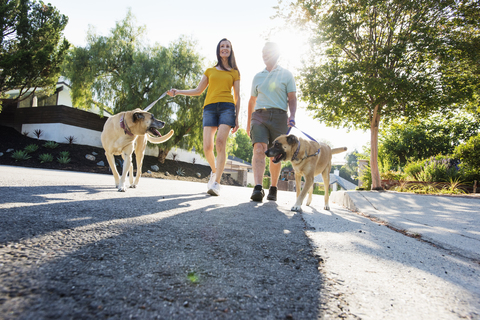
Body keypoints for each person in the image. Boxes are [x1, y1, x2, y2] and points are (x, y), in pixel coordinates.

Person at [167, 38, 240, 196]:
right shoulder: (210, 71)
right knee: (207, 147)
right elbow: (198, 90)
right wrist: (178, 91)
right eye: (222, 46)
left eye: (227, 46)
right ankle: (214, 171)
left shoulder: (234, 72)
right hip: (209, 108)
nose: (224, 48)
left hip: (227, 108)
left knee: (220, 142)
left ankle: (217, 183)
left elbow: (238, 97)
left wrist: (237, 117)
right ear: (218, 50)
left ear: (231, 50)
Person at [246, 42, 297, 202]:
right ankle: (258, 188)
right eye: (263, 52)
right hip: (259, 116)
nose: (264, 54)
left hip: (280, 116)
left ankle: (273, 187)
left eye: (268, 52)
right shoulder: (257, 76)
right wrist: (248, 123)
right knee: (259, 148)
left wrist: (292, 116)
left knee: (275, 154)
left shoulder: (286, 74)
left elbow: (292, 98)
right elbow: (252, 101)